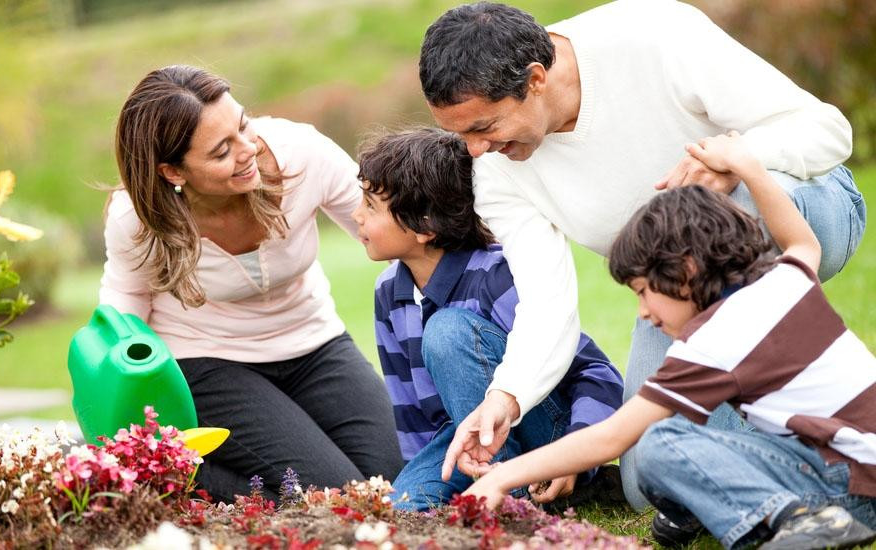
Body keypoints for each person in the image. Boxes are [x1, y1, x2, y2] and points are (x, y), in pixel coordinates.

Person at [418, 0, 866, 512]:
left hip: (805, 210)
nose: (475, 150)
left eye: (484, 127)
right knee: (651, 490)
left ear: (536, 79)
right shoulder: (497, 171)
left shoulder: (653, 35)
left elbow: (827, 129)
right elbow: (546, 302)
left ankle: (818, 453)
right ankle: (804, 463)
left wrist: (741, 162)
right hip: (676, 290)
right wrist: (507, 396)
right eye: (461, 136)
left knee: (728, 209)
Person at [463, 132, 876, 550]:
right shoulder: (784, 279)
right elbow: (804, 242)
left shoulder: (714, 340)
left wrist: (503, 475)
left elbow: (611, 438)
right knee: (694, 454)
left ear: (686, 270)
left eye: (643, 290)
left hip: (849, 487)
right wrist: (748, 166)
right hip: (856, 465)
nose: (642, 310)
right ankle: (712, 512)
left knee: (659, 445)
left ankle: (805, 520)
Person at [100, 65, 402, 502]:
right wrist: (131, 392)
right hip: (208, 361)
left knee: (394, 482)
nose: (247, 150)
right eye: (222, 151)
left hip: (314, 344)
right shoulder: (137, 218)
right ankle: (178, 473)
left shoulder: (301, 154)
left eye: (244, 126)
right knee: (336, 497)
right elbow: (124, 301)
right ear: (172, 172)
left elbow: (385, 227)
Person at [352, 128, 623, 510]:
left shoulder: (495, 276)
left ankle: (514, 501)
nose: (355, 215)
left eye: (370, 205)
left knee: (446, 331)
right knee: (400, 510)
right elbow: (413, 414)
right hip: (462, 445)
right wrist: (420, 476)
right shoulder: (389, 293)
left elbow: (598, 374)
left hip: (547, 441)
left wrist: (574, 454)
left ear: (425, 227)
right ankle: (494, 495)